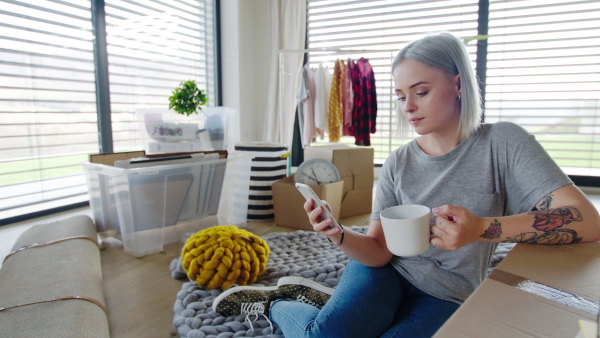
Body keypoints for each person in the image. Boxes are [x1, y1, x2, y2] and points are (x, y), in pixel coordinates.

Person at [213, 32, 600, 337]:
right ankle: (278, 303)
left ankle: (326, 306)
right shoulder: (399, 162)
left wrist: (483, 229)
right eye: (400, 96)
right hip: (386, 273)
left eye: (421, 91)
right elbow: (380, 252)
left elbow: (587, 221)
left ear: (458, 83)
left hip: (448, 292)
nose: (408, 107)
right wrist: (339, 234)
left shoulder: (503, 144)